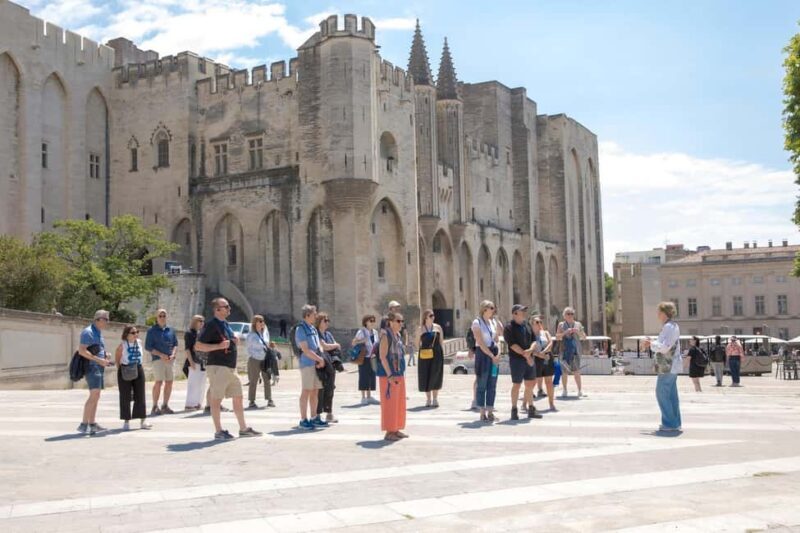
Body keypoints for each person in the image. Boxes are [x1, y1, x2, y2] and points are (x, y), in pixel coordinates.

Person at [195, 297, 261, 440]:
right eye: (226, 306)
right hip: (218, 367)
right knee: (216, 399)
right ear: (217, 309)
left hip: (230, 368)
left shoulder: (225, 324)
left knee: (238, 396)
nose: (229, 308)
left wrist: (233, 341)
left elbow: (226, 341)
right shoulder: (211, 325)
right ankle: (219, 431)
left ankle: (243, 428)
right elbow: (198, 346)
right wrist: (218, 346)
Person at [642, 301, 682, 433]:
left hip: (667, 366)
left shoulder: (669, 327)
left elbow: (665, 348)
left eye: (659, 311)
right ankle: (675, 423)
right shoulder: (671, 326)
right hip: (671, 365)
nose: (657, 314)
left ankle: (670, 423)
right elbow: (665, 344)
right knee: (671, 395)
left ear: (664, 313)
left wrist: (651, 344)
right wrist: (653, 341)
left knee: (662, 393)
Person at [77, 310, 112, 435]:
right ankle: (84, 424)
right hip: (92, 367)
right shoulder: (88, 332)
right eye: (106, 319)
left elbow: (96, 349)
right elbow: (82, 351)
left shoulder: (98, 333)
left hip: (98, 366)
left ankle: (92, 423)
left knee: (96, 395)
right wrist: (99, 360)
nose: (108, 322)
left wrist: (105, 355)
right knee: (94, 394)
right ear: (99, 319)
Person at [504, 304, 541, 420]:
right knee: (517, 384)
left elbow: (534, 340)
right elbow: (512, 345)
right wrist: (526, 355)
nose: (524, 313)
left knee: (530, 384)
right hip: (517, 360)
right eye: (521, 311)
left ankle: (531, 408)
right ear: (515, 313)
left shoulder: (527, 325)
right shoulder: (509, 327)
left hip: (528, 357)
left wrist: (530, 350)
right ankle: (514, 410)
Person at [295, 304, 329, 430]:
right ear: (307, 315)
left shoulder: (313, 329)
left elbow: (317, 346)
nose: (316, 316)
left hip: (315, 364)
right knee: (306, 391)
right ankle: (303, 419)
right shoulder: (301, 329)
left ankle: (315, 417)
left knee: (315, 392)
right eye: (314, 314)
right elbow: (305, 349)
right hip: (307, 364)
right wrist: (319, 359)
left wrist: (320, 359)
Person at [114, 325, 151, 430]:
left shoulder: (139, 342)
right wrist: (120, 369)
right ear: (127, 334)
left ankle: (143, 421)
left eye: (137, 332)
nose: (136, 334)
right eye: (133, 333)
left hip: (138, 368)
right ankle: (126, 422)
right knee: (125, 396)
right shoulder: (123, 345)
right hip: (125, 369)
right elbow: (117, 357)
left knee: (140, 395)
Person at [378, 311, 408, 441]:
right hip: (388, 375)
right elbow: (383, 357)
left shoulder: (397, 335)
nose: (401, 324)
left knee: (399, 403)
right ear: (391, 322)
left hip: (398, 373)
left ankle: (396, 429)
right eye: (398, 321)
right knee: (390, 403)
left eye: (402, 321)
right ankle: (389, 432)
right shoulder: (386, 336)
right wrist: (389, 375)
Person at [145, 309, 179, 415]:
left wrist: (173, 354)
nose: (162, 317)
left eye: (164, 315)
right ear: (157, 317)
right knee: (158, 382)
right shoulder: (151, 331)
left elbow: (175, 344)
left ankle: (165, 405)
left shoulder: (171, 330)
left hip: (170, 360)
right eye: (160, 316)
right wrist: (160, 355)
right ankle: (155, 406)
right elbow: (148, 346)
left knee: (169, 382)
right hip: (158, 360)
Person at [473, 300, 501, 423]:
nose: (493, 309)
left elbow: (497, 339)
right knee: (482, 383)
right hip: (483, 355)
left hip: (494, 354)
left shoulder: (493, 322)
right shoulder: (477, 322)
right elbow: (479, 342)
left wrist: (498, 353)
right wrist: (491, 355)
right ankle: (482, 412)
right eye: (491, 307)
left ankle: (490, 411)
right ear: (484, 309)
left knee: (492, 384)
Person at [316, 312, 342, 423]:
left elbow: (334, 345)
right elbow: (325, 346)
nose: (327, 322)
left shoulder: (328, 334)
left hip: (331, 365)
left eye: (328, 320)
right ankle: (317, 414)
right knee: (320, 389)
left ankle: (329, 413)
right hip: (321, 365)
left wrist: (334, 346)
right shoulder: (317, 334)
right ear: (319, 322)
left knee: (330, 389)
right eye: (325, 320)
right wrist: (335, 345)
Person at [556, 307, 587, 398]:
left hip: (576, 351)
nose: (570, 316)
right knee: (564, 372)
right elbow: (557, 337)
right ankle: (565, 390)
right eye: (568, 314)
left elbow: (584, 337)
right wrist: (565, 332)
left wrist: (578, 332)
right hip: (564, 351)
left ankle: (580, 390)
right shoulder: (561, 325)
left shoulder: (578, 324)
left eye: (571, 314)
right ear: (564, 316)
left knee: (577, 371)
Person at [246, 315, 276, 409]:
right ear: (255, 323)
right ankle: (251, 401)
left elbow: (266, 344)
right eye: (260, 321)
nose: (262, 323)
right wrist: (256, 353)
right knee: (253, 380)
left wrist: (270, 346)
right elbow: (248, 348)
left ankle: (269, 399)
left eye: (263, 321)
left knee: (267, 379)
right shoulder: (251, 335)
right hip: (254, 359)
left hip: (264, 359)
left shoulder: (265, 333)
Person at [416, 309, 444, 408]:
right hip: (424, 355)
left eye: (433, 315)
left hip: (436, 354)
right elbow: (417, 343)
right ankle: (428, 399)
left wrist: (441, 354)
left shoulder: (438, 328)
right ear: (425, 317)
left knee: (436, 375)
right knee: (425, 375)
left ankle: (435, 399)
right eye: (431, 315)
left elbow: (441, 342)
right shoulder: (420, 329)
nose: (433, 317)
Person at [352, 315, 379, 405]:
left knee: (372, 376)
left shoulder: (375, 332)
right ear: (366, 322)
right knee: (363, 376)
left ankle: (369, 396)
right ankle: (363, 397)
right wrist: (363, 340)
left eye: (373, 321)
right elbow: (354, 343)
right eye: (371, 320)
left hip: (373, 357)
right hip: (364, 357)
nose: (372, 322)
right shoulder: (361, 331)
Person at [532, 316, 557, 411]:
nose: (539, 324)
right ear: (532, 324)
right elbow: (529, 349)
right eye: (537, 322)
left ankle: (551, 403)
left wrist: (543, 352)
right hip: (536, 359)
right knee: (532, 382)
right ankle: (525, 403)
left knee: (549, 381)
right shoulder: (530, 335)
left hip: (547, 357)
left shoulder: (545, 333)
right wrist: (539, 355)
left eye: (540, 322)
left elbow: (550, 343)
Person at [184, 315, 207, 411]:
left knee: (202, 384)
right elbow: (187, 349)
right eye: (199, 321)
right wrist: (191, 362)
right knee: (193, 384)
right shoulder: (189, 333)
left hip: (203, 362)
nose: (202, 322)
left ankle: (198, 403)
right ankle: (189, 404)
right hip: (194, 360)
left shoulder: (202, 333)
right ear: (194, 321)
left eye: (203, 321)